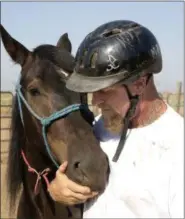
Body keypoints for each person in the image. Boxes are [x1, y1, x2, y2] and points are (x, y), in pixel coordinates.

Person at [47, 20, 184, 218]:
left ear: (139, 84)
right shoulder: (98, 128)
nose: (95, 100)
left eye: (104, 90)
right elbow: (63, 181)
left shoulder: (177, 150)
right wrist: (57, 189)